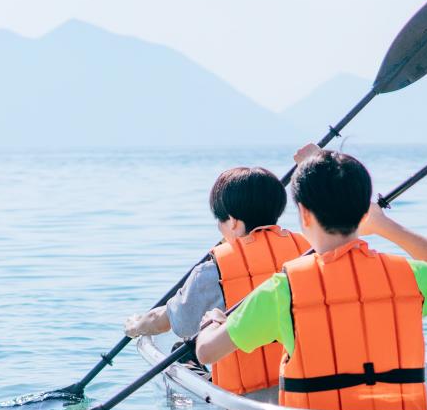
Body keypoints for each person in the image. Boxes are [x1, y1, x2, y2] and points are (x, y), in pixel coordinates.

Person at [194, 148, 427, 410]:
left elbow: (207, 351)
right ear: (362, 211)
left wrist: (213, 323)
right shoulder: (409, 277)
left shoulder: (284, 289)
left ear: (304, 214)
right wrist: (384, 227)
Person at [123, 166, 310, 395]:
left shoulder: (214, 270)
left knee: (182, 350)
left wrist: (136, 325)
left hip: (244, 397)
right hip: (304, 384)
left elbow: (171, 321)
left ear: (232, 222)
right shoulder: (308, 252)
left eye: (219, 221)